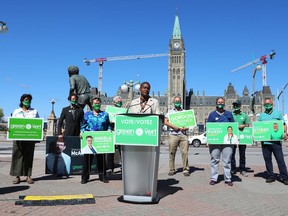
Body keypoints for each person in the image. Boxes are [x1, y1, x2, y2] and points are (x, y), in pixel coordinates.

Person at [10, 94, 39, 184]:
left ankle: (28, 176)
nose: (28, 101)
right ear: (22, 100)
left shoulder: (34, 111)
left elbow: (38, 123)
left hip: (30, 139)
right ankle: (17, 176)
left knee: (28, 157)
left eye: (29, 100)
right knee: (17, 156)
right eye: (26, 100)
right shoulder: (16, 111)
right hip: (18, 138)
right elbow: (12, 123)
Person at [80, 97, 111, 184]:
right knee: (87, 159)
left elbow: (108, 125)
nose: (97, 105)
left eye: (98, 103)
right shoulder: (87, 114)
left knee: (101, 159)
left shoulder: (105, 114)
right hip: (90, 138)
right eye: (95, 103)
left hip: (100, 139)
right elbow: (83, 126)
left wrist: (109, 130)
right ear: (92, 105)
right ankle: (85, 177)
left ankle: (103, 176)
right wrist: (81, 132)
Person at [258, 97, 288, 185]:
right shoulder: (262, 116)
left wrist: (285, 132)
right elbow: (258, 128)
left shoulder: (278, 114)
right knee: (268, 160)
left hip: (276, 142)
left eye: (269, 104)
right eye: (266, 104)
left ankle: (284, 176)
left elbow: (283, 125)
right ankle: (271, 175)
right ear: (264, 105)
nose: (267, 105)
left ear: (272, 104)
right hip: (265, 142)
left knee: (280, 160)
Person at [207, 97, 235, 186]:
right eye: (219, 102)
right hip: (215, 141)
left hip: (227, 141)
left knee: (227, 160)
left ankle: (228, 178)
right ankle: (213, 178)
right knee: (214, 159)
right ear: (216, 103)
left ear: (224, 103)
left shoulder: (229, 114)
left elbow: (233, 126)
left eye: (222, 102)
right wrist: (209, 140)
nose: (220, 103)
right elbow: (208, 128)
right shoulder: (212, 115)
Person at [164, 96, 190, 176]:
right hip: (173, 134)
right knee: (172, 152)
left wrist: (186, 128)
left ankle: (185, 169)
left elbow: (189, 123)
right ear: (173, 102)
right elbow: (165, 122)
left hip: (183, 135)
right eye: (176, 101)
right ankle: (172, 169)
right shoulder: (170, 112)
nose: (177, 102)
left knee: (185, 153)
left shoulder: (185, 112)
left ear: (181, 102)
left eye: (178, 101)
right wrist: (173, 126)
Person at [231, 100, 249, 177]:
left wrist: (243, 126)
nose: (235, 107)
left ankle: (242, 169)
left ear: (240, 106)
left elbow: (248, 125)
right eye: (234, 105)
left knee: (242, 154)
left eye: (237, 105)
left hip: (242, 137)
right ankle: (233, 169)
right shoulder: (230, 115)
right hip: (233, 137)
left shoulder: (244, 115)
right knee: (232, 154)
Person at [106, 95, 123, 174]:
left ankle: (123, 167)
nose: (119, 103)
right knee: (110, 151)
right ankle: (110, 168)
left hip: (121, 133)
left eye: (120, 102)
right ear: (114, 103)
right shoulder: (110, 111)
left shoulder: (123, 111)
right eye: (118, 102)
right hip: (112, 132)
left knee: (122, 151)